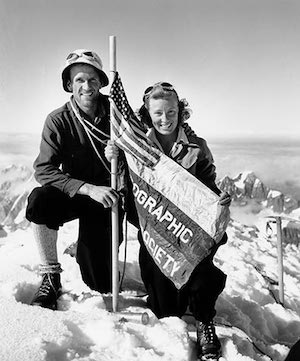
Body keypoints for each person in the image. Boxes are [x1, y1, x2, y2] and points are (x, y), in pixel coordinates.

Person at [105, 82, 231, 360]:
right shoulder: (135, 143)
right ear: (148, 113)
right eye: (158, 113)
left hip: (185, 229)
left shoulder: (197, 147)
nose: (165, 118)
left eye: (171, 111)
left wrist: (218, 199)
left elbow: (207, 184)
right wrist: (113, 158)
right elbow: (123, 183)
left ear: (180, 111)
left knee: (198, 270)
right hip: (152, 229)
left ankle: (204, 319)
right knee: (166, 309)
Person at [26, 49, 126, 310]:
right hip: (77, 194)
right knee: (39, 200)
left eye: (93, 79)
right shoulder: (58, 120)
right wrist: (86, 188)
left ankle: (82, 250)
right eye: (80, 80)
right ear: (69, 84)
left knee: (101, 283)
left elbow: (141, 154)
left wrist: (121, 154)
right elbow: (44, 169)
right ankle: (50, 275)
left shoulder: (117, 115)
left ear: (102, 83)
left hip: (109, 199)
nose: (87, 86)